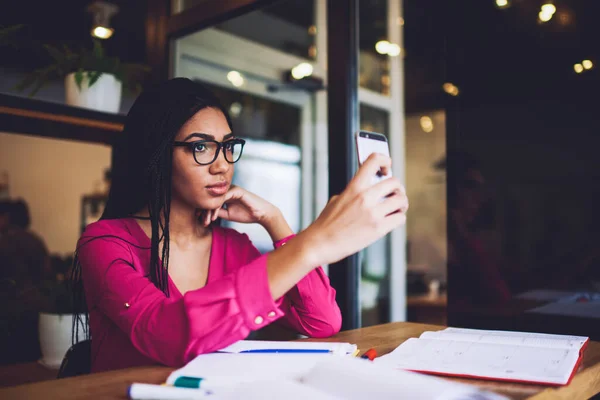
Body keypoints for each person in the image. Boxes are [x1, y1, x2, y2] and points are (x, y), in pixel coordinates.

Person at [72, 78, 409, 373]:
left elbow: (321, 321)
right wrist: (312, 244)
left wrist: (275, 221)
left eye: (228, 146)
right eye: (201, 147)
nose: (221, 165)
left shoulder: (233, 247)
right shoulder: (105, 244)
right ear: (156, 155)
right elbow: (166, 334)